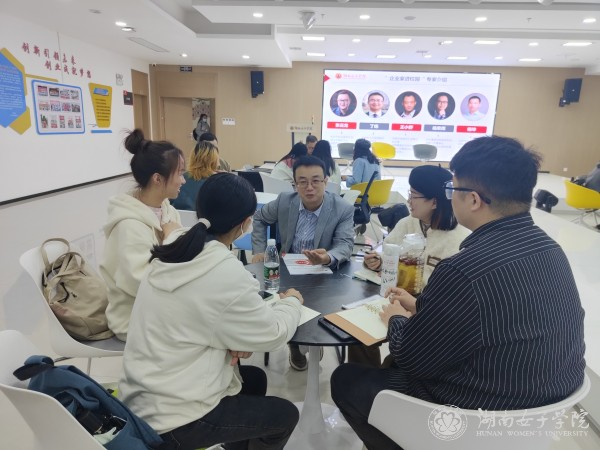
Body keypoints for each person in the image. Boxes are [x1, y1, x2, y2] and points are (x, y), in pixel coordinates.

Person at [331, 136, 586, 450]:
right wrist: (422, 306)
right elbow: (492, 318)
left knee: (346, 379)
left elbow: (411, 358)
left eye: (453, 189)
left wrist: (397, 318)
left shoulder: (464, 268)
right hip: (541, 416)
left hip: (473, 417)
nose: (449, 197)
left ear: (474, 200)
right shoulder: (550, 250)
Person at [119, 173, 303, 450]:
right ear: (245, 223)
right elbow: (274, 333)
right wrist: (292, 302)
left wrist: (236, 339)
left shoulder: (172, 252)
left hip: (142, 398)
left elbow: (198, 315)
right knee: (285, 416)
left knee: (254, 380)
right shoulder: (224, 271)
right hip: (176, 421)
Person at [349, 165, 470, 366]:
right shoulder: (407, 223)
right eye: (409, 193)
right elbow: (389, 253)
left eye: (414, 195)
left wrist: (414, 306)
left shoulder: (459, 239)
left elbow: (451, 299)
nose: (408, 201)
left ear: (434, 202)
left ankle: (386, 376)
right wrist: (379, 262)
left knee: (397, 358)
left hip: (429, 312)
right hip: (396, 297)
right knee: (358, 331)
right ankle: (367, 377)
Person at [251, 155, 354, 370]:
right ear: (294, 184)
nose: (309, 187)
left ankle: (314, 337)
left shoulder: (342, 208)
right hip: (286, 269)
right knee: (288, 302)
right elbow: (259, 218)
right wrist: (259, 251)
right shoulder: (284, 201)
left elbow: (345, 244)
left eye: (316, 181)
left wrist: (327, 257)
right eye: (303, 182)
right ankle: (295, 344)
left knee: (322, 306)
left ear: (326, 181)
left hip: (323, 271)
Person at [100, 129, 184, 341]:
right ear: (158, 179)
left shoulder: (167, 209)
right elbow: (144, 283)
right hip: (134, 319)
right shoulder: (129, 225)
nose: (183, 180)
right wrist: (172, 238)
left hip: (161, 307)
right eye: (180, 173)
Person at [170, 140, 219, 211]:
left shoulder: (180, 178)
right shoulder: (218, 183)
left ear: (193, 157)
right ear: (214, 161)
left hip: (179, 216)